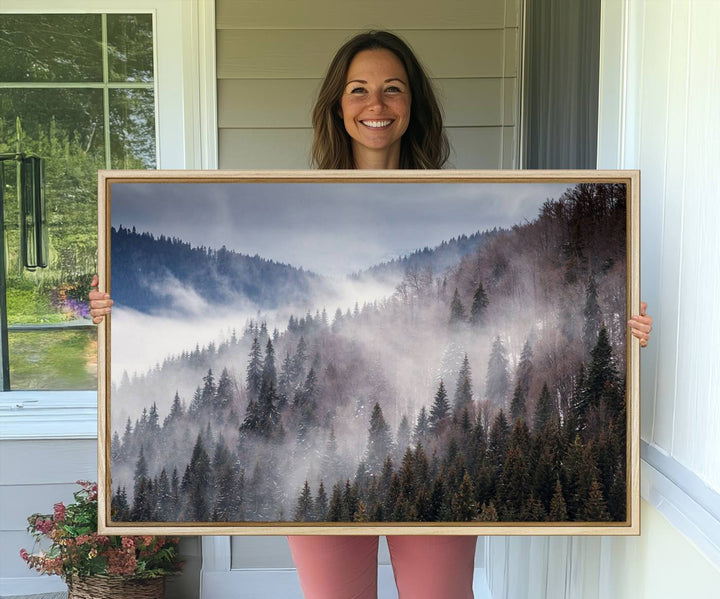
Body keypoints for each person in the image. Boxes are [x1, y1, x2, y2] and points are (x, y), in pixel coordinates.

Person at [89, 30, 653, 599]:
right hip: (317, 451)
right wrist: (117, 313)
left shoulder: (461, 203)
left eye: (392, 89)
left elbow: (538, 317)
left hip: (434, 447)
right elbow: (231, 306)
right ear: (338, 105)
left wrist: (616, 328)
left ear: (413, 105)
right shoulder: (291, 208)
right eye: (358, 90)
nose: (376, 105)